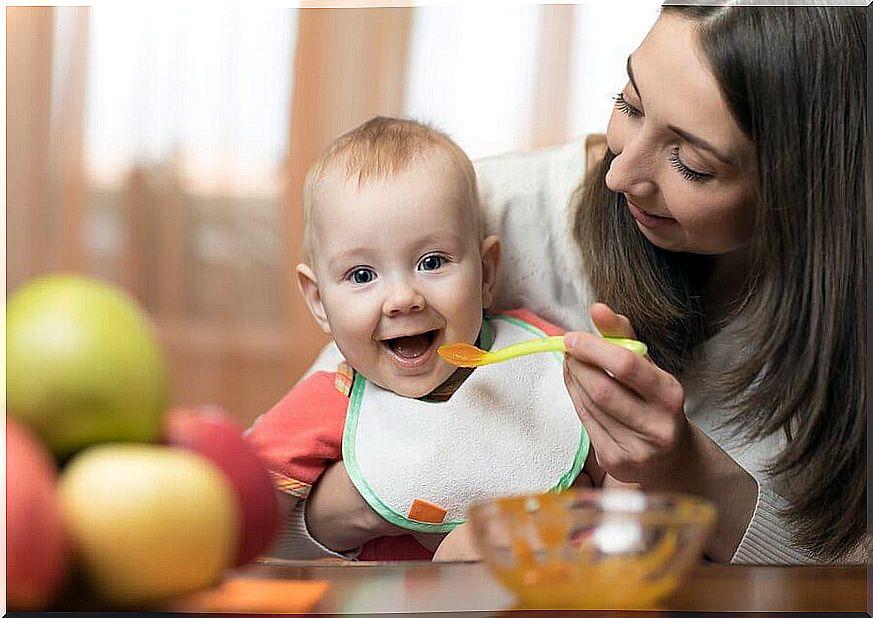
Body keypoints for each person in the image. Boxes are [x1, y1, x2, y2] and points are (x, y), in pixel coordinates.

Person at [284, 4, 868, 565]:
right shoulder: (460, 220)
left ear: (804, 184)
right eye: (630, 104)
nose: (618, 173)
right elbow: (277, 526)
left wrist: (688, 470)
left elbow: (850, 567)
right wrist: (392, 495)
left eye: (692, 163)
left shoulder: (849, 320)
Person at [245, 116, 599, 561]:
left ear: (486, 273)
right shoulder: (335, 400)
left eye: (432, 262)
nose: (402, 299)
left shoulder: (541, 356)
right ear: (319, 301)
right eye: (362, 275)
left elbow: (622, 467)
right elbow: (241, 515)